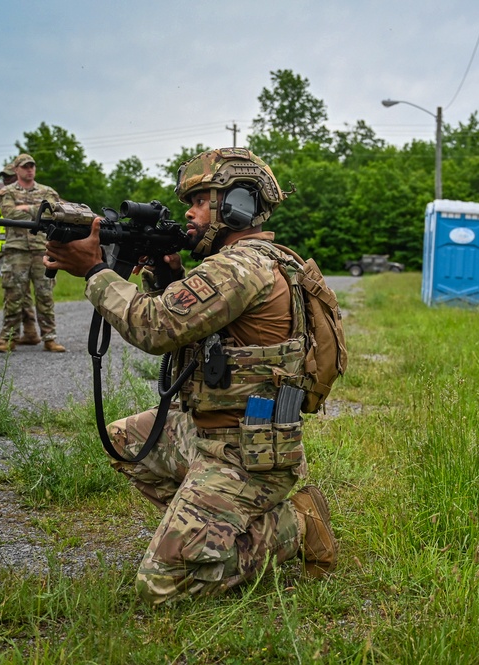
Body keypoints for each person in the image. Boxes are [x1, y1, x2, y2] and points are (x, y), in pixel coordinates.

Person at [42, 147, 338, 605]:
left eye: (201, 199)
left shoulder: (240, 266)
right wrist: (163, 281)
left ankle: (294, 525)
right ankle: (208, 530)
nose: (190, 212)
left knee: (161, 586)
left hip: (245, 455)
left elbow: (156, 328)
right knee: (125, 440)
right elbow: (193, 329)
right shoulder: (260, 261)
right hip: (210, 435)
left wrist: (94, 271)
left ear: (237, 204)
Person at [0, 154, 65, 352]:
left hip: (41, 249)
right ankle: (9, 338)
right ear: (16, 169)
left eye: (32, 166)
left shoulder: (48, 191)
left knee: (45, 294)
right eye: (25, 167)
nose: (29, 170)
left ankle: (50, 338)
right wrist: (37, 209)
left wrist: (26, 207)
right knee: (14, 295)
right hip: (16, 250)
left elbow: (53, 212)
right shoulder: (5, 192)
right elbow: (9, 213)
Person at [0, 163, 40, 348]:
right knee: (20, 295)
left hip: (25, 252)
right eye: (3, 178)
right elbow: (1, 231)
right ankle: (28, 332)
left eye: (9, 177)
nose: (5, 181)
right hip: (11, 252)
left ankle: (14, 335)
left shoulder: (25, 198)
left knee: (17, 295)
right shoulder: (5, 199)